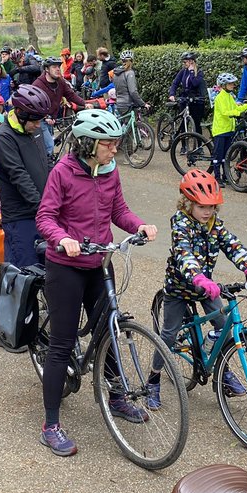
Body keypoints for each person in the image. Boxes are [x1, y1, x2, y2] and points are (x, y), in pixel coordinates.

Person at [34, 109, 159, 456]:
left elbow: (118, 210)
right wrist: (62, 238)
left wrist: (138, 226)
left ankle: (117, 397)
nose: (114, 150)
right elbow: (45, 216)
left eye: (117, 143)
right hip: (67, 265)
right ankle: (51, 425)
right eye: (108, 144)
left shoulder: (110, 171)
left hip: (100, 262)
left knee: (108, 332)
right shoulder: (63, 172)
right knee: (61, 343)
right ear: (88, 144)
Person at [147, 169, 247, 407]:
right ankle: (153, 380)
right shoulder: (180, 224)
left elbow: (232, 245)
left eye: (211, 207)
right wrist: (199, 277)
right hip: (180, 287)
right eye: (202, 207)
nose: (207, 212)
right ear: (187, 204)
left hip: (206, 288)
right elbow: (184, 253)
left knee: (223, 327)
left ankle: (224, 373)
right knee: (169, 335)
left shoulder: (214, 224)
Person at [0, 84, 51, 268]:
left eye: (41, 120)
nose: (39, 125)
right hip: (20, 217)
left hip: (41, 212)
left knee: (49, 271)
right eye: (35, 120)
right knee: (24, 275)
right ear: (19, 113)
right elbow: (19, 176)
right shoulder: (3, 138)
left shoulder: (34, 128)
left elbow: (46, 163)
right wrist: (43, 209)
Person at [33, 55, 88, 157]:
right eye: (54, 67)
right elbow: (34, 104)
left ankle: (47, 163)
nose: (58, 69)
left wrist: (85, 104)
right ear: (46, 69)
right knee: (49, 146)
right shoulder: (38, 85)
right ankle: (47, 169)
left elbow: (70, 95)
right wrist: (45, 117)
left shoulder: (60, 82)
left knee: (48, 145)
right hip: (40, 120)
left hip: (52, 119)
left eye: (59, 66)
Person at [210, 72, 247, 182]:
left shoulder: (230, 96)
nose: (233, 85)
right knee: (218, 156)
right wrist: (238, 114)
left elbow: (235, 109)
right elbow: (225, 112)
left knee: (226, 156)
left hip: (229, 130)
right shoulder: (220, 98)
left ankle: (225, 176)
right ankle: (217, 177)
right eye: (230, 84)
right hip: (220, 130)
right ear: (223, 85)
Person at [168, 51, 208, 136]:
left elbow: (195, 83)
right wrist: (172, 94)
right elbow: (175, 83)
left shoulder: (199, 72)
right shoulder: (183, 71)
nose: (184, 64)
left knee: (197, 123)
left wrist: (192, 72)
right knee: (184, 122)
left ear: (191, 61)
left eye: (185, 62)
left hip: (195, 100)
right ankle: (183, 145)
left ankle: (199, 146)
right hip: (184, 98)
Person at [112, 51, 148, 121]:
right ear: (132, 61)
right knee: (133, 127)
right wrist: (143, 104)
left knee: (125, 125)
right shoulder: (130, 73)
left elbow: (117, 90)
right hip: (128, 104)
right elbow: (133, 91)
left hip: (119, 103)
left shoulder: (116, 73)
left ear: (122, 61)